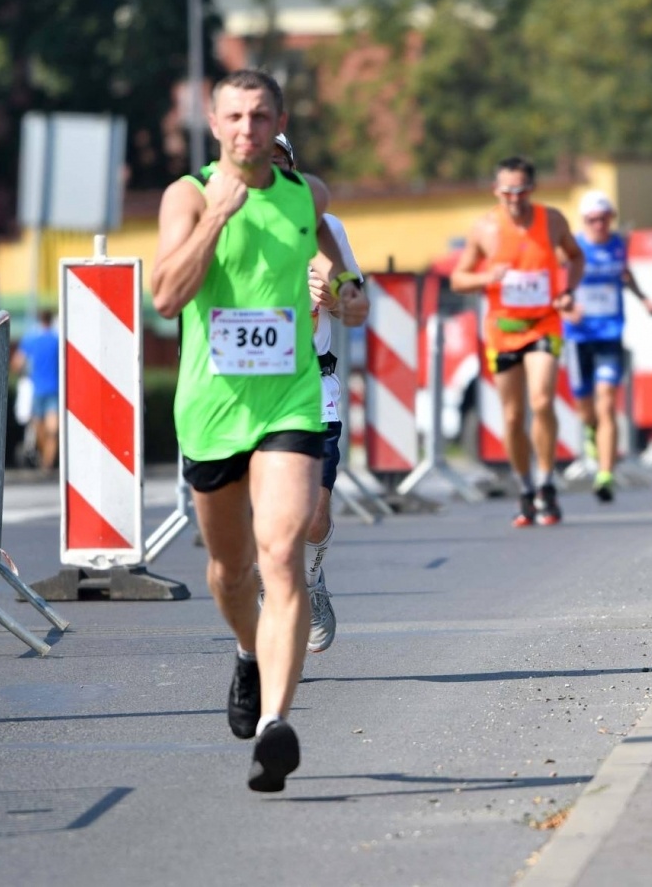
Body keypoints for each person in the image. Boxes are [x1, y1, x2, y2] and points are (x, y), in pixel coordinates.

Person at [150, 69, 354, 792]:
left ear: (280, 121)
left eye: (261, 116)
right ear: (214, 121)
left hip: (291, 402)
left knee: (283, 551)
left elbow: (336, 265)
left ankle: (275, 724)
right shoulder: (189, 194)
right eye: (235, 116)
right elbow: (166, 296)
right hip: (212, 409)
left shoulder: (308, 194)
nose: (248, 129)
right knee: (230, 571)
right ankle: (246, 649)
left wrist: (347, 294)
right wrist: (216, 218)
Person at [269, 133, 370, 656]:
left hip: (314, 386)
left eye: (278, 161)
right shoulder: (220, 225)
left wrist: (333, 296)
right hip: (251, 390)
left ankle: (310, 579)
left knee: (312, 514)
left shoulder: (324, 229)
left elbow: (355, 302)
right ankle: (273, 592)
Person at [452, 158, 584, 527]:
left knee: (542, 400)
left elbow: (575, 257)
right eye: (507, 191)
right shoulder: (485, 228)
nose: (515, 198)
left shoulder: (552, 220)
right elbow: (458, 279)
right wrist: (485, 277)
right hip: (504, 329)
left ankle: (546, 482)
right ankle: (525, 488)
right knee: (511, 415)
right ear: (497, 191)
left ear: (532, 189)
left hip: (544, 323)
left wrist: (568, 291)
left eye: (521, 190)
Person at [565, 189, 652, 503]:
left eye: (604, 219)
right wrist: (566, 307)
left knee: (606, 404)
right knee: (586, 408)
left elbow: (625, 275)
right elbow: (557, 286)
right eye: (592, 220)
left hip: (610, 334)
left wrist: (643, 297)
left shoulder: (619, 244)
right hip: (578, 338)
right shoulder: (573, 248)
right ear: (584, 221)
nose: (599, 225)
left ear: (611, 219)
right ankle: (591, 432)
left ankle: (605, 474)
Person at [11, 309, 60, 471]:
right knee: (53, 430)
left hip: (37, 389)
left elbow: (17, 363)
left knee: (39, 428)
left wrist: (22, 374)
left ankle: (45, 462)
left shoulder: (31, 339)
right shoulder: (57, 339)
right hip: (55, 389)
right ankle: (47, 463)